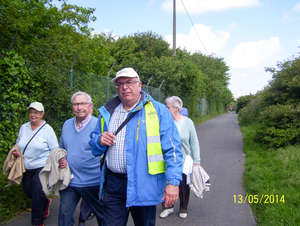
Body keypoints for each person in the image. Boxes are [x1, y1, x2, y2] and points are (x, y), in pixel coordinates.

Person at [89, 67, 183, 226]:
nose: (124, 87)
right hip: (113, 184)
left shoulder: (158, 110)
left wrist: (173, 183)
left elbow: (172, 150)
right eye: (119, 84)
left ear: (139, 85)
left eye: (129, 82)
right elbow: (94, 146)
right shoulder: (107, 111)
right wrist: (99, 140)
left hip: (144, 184)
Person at [58, 91, 103, 226]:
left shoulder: (99, 124)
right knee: (64, 216)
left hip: (93, 182)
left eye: (83, 104)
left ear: (90, 106)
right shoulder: (66, 124)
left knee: (104, 216)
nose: (79, 108)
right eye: (76, 104)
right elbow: (61, 148)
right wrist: (61, 157)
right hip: (70, 180)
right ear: (72, 106)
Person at [12, 102, 59, 226]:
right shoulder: (24, 127)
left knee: (37, 194)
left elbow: (54, 148)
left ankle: (37, 223)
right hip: (26, 167)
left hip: (42, 167)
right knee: (28, 191)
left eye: (36, 113)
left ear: (42, 114)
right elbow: (19, 143)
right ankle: (45, 202)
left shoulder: (47, 129)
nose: (33, 115)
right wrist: (17, 152)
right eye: (31, 112)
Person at [160, 96, 201, 219]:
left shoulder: (188, 123)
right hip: (167, 160)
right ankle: (167, 207)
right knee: (166, 183)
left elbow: (194, 142)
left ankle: (183, 207)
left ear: (176, 108)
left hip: (184, 161)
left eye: (168, 107)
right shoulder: (164, 122)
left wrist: (197, 161)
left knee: (183, 185)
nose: (165, 110)